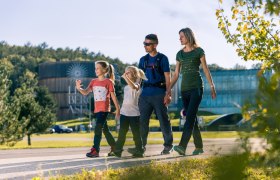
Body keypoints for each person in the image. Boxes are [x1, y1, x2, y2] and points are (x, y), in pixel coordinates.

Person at [167, 27, 216, 156]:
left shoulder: (199, 51)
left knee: (189, 117)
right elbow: (176, 74)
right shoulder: (179, 54)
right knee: (191, 118)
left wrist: (212, 86)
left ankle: (182, 146)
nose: (180, 39)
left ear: (188, 36)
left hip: (196, 88)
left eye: (181, 36)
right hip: (184, 89)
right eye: (179, 37)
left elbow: (205, 69)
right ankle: (199, 147)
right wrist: (168, 89)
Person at [134, 34, 173, 155]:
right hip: (145, 95)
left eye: (147, 44)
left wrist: (168, 93)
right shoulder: (142, 60)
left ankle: (168, 146)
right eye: (144, 44)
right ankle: (140, 148)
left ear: (155, 45)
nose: (145, 46)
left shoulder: (163, 59)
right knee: (142, 122)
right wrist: (136, 95)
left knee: (163, 121)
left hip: (159, 94)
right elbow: (139, 79)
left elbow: (168, 77)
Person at [76, 61, 120, 158]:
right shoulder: (93, 82)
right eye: (95, 68)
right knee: (105, 130)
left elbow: (113, 96)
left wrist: (118, 109)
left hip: (104, 110)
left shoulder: (108, 82)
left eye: (98, 68)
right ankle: (115, 147)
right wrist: (79, 88)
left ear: (104, 70)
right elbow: (85, 92)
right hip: (97, 110)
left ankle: (95, 150)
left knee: (98, 129)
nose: (96, 70)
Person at [111, 66, 147, 158]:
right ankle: (118, 150)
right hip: (124, 113)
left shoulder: (138, 86)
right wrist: (119, 111)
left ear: (134, 74)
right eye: (125, 72)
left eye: (128, 72)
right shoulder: (126, 87)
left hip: (134, 114)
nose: (126, 74)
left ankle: (139, 150)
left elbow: (133, 86)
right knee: (122, 133)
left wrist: (127, 77)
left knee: (136, 134)